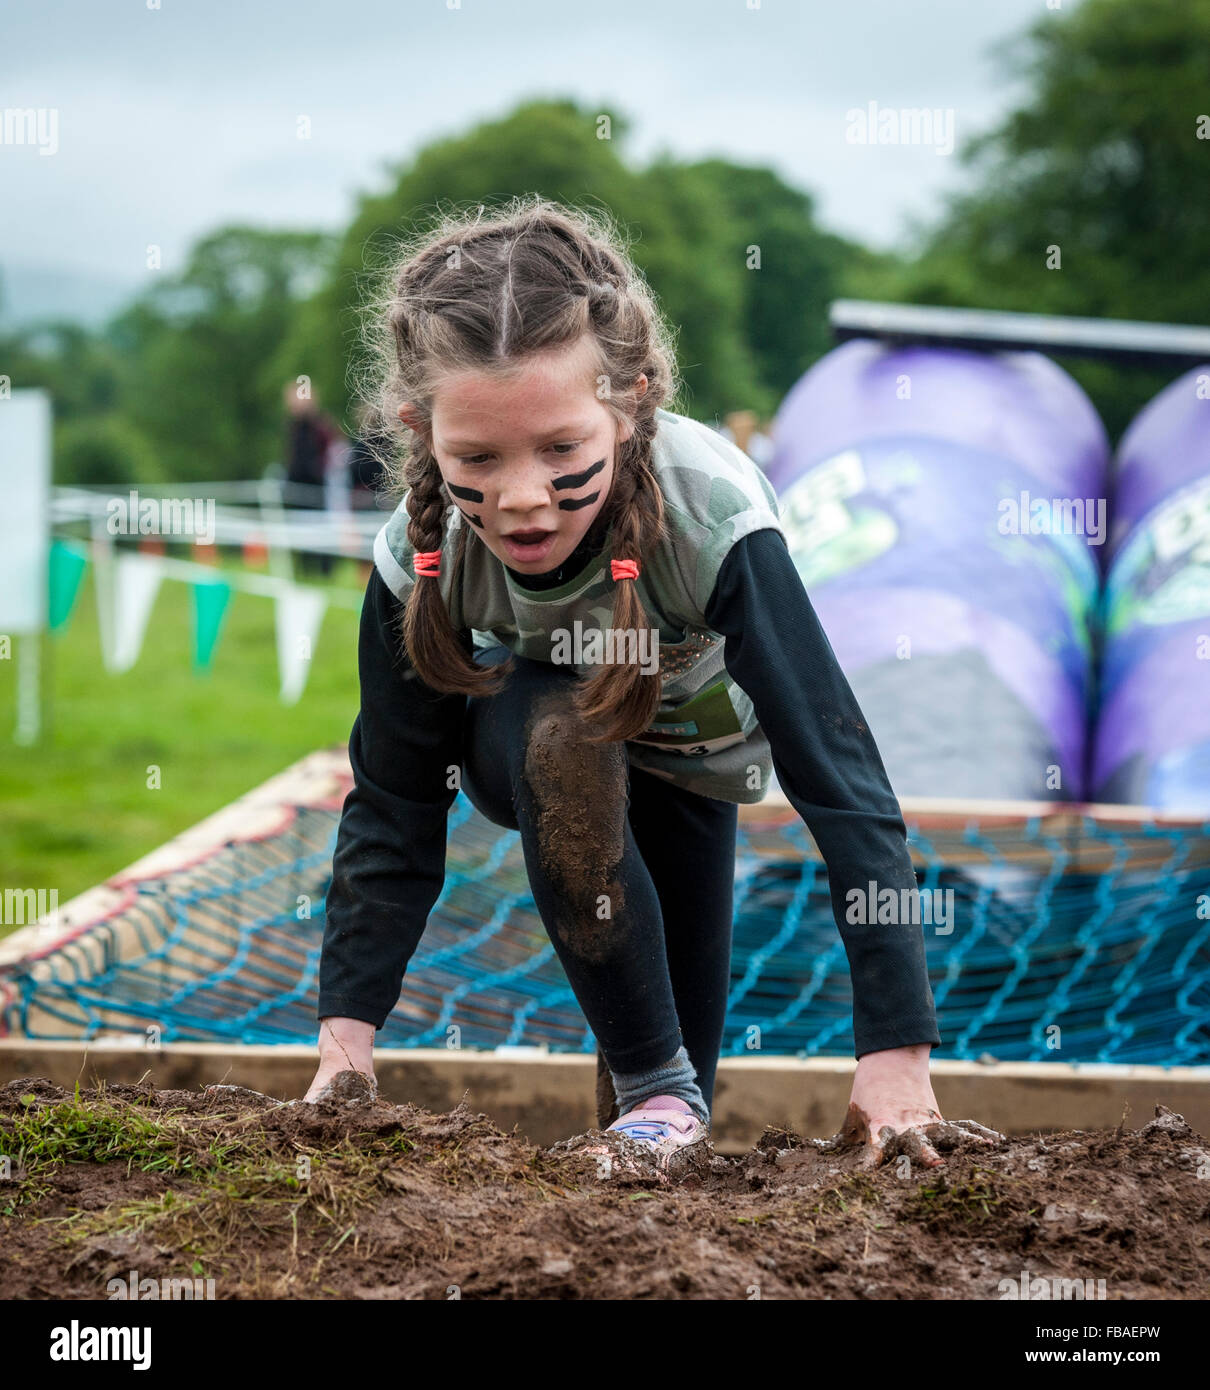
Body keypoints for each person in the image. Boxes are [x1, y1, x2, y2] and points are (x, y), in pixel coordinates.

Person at [306, 196, 997, 1172]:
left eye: (560, 450)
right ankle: (653, 1086)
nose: (521, 498)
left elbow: (838, 779)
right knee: (563, 732)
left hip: (690, 770)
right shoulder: (418, 554)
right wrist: (344, 1052)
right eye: (477, 458)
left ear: (627, 407)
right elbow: (394, 803)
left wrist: (895, 1050)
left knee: (667, 1117)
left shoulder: (712, 517)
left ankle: (650, 1116)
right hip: (529, 748)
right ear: (421, 429)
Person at [281, 381, 342, 577]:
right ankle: (305, 567)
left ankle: (324, 568)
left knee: (321, 527)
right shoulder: (293, 427)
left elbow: (332, 451)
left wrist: (319, 469)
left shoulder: (320, 426)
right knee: (299, 527)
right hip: (298, 484)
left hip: (318, 485)